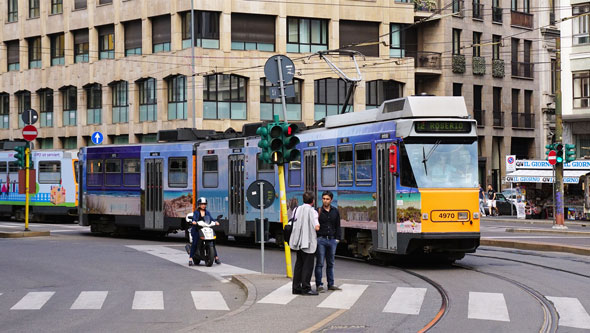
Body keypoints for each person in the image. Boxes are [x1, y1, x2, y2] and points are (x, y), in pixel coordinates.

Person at [290, 191, 320, 296]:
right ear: (313, 201)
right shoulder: (313, 212)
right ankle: (306, 288)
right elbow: (316, 226)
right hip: (308, 242)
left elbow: (292, 221)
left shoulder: (296, 209)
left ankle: (296, 288)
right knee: (308, 266)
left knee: (299, 265)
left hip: (298, 241)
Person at [315, 191, 342, 293]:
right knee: (320, 263)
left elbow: (338, 226)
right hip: (321, 240)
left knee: (331, 263)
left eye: (327, 199)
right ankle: (319, 285)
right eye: (323, 199)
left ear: (331, 200)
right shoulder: (318, 211)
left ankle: (331, 284)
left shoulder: (335, 211)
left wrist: (337, 239)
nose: (325, 201)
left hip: (332, 240)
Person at [189, 197, 221, 266]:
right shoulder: (196, 212)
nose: (204, 205)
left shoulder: (207, 212)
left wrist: (216, 222)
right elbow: (194, 218)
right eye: (202, 204)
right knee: (195, 243)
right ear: (199, 205)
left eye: (205, 204)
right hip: (197, 229)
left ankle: (216, 257)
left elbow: (211, 218)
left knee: (212, 241)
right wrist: (194, 222)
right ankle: (190, 258)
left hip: (205, 228)